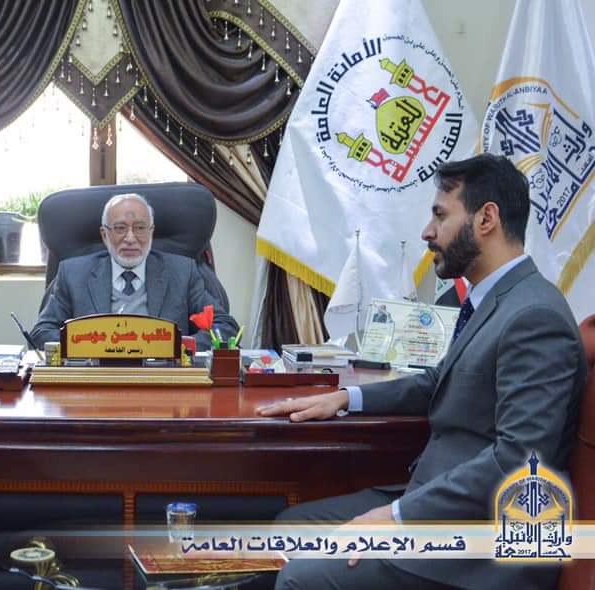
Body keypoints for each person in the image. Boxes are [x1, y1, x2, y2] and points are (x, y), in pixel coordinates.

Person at [258, 154, 587, 590]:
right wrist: (345, 398)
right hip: (435, 499)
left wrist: (397, 517)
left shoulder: (534, 316)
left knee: (300, 579)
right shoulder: (493, 300)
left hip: (481, 544)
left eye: (440, 215)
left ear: (486, 218)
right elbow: (441, 381)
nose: (427, 232)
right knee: (290, 527)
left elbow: (519, 461)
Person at [31, 192, 238, 350]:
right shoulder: (73, 274)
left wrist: (176, 348)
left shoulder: (182, 272)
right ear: (104, 235)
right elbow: (41, 333)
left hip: (164, 380)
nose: (130, 238)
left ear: (151, 232)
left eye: (140, 228)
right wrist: (91, 347)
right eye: (120, 228)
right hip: (95, 380)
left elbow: (225, 327)